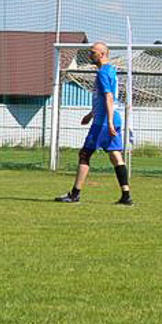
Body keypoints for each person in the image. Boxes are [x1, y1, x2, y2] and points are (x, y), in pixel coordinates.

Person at [55, 42, 133, 205]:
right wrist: (90, 114)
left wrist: (108, 122)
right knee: (115, 156)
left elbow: (109, 97)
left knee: (84, 154)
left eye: (93, 52)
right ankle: (126, 195)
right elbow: (103, 99)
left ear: (102, 54)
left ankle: (74, 194)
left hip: (104, 122)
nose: (90, 55)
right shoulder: (110, 71)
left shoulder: (104, 73)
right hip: (110, 119)